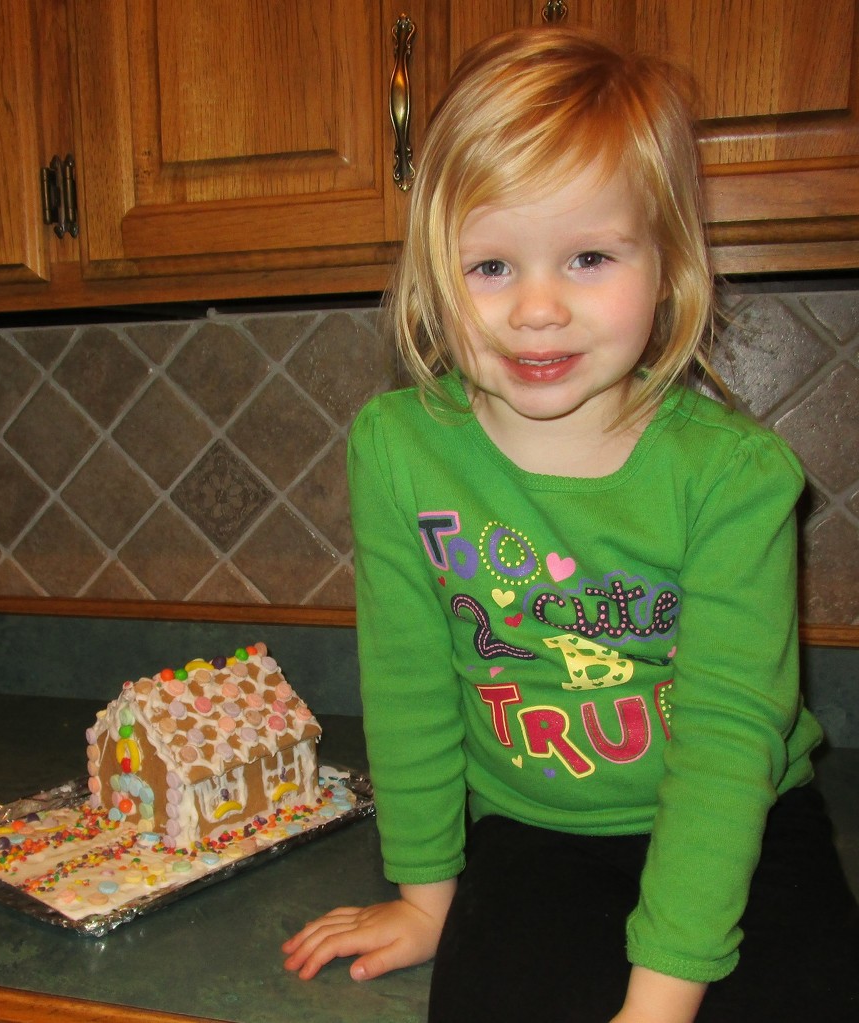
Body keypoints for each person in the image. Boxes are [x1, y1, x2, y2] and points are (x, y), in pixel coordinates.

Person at [281, 26, 859, 1022]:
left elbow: (726, 743)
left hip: (745, 820)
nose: (537, 308)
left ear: (669, 267)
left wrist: (658, 1001)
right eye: (490, 266)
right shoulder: (396, 449)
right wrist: (427, 897)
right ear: (431, 272)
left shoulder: (732, 477)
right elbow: (411, 683)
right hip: (533, 829)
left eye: (588, 256)